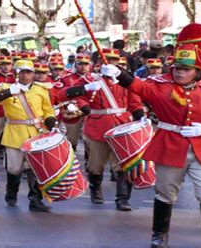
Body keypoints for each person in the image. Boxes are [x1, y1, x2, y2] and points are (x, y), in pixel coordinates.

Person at [106, 24, 201, 248]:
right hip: (170, 147)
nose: (179, 72)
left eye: (185, 69)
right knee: (166, 194)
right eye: (177, 68)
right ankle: (159, 237)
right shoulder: (160, 88)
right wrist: (119, 74)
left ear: (196, 71)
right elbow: (139, 87)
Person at [58, 47, 144, 211]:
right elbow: (66, 95)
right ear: (98, 63)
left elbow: (134, 101)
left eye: (113, 60)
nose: (110, 63)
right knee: (95, 164)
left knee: (123, 164)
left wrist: (140, 117)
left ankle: (122, 199)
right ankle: (95, 190)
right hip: (98, 125)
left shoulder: (126, 79)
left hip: (122, 126)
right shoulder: (89, 79)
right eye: (107, 60)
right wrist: (85, 93)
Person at [0, 60, 57, 212]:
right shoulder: (7, 87)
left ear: (33, 74)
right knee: (14, 168)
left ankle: (35, 200)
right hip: (14, 132)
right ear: (16, 73)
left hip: (37, 133)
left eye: (28, 72)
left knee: (35, 168)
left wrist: (51, 123)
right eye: (21, 72)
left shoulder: (40, 89)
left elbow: (48, 110)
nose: (25, 75)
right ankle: (11, 193)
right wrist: (8, 92)